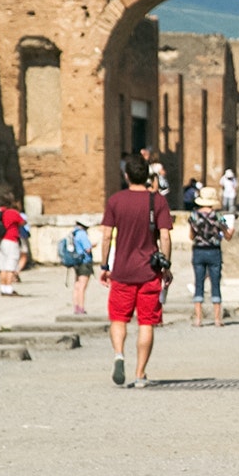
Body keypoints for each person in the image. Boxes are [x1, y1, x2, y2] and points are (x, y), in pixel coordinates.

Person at [99, 153, 173, 389]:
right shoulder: (158, 201)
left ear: (126, 175)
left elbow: (106, 235)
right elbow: (165, 236)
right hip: (149, 272)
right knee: (146, 323)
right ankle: (140, 374)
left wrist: (104, 266)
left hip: (122, 271)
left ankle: (119, 354)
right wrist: (166, 266)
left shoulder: (115, 201)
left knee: (119, 319)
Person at [189, 187, 233, 327]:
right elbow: (227, 236)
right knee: (215, 283)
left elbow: (191, 236)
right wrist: (231, 231)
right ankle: (217, 319)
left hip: (199, 251)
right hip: (214, 251)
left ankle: (198, 319)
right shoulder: (218, 216)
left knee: (199, 283)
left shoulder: (194, 216)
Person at [0, 196, 27, 295]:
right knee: (11, 264)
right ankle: (9, 288)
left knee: (3, 266)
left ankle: (3, 288)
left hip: (1, 241)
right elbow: (23, 222)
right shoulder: (12, 213)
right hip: (11, 239)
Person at [69, 220, 97, 316]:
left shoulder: (74, 234)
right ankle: (81, 307)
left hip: (76, 262)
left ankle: (76, 307)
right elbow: (87, 249)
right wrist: (93, 245)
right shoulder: (82, 234)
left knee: (76, 285)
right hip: (84, 262)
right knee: (82, 286)